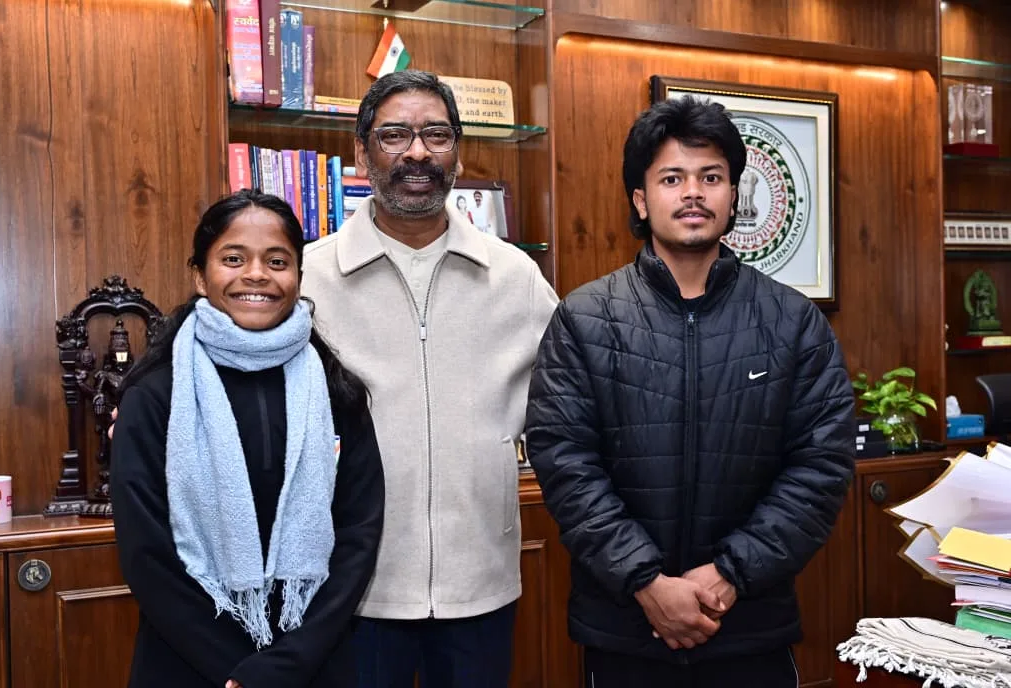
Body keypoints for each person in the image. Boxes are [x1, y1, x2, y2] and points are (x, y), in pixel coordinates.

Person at [524, 96, 856, 687]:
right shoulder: (584, 319)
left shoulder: (793, 321)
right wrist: (647, 583)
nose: (693, 193)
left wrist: (729, 573)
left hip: (749, 625)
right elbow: (567, 465)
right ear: (640, 199)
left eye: (711, 177)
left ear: (733, 196)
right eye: (672, 178)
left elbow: (820, 466)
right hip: (625, 628)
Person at [300, 69, 558, 688]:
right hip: (351, 589)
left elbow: (577, 398)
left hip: (482, 582)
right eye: (394, 135)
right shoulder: (309, 278)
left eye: (436, 135)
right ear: (361, 154)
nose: (417, 152)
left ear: (458, 152)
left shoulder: (514, 276)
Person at [110, 189, 384, 688]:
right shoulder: (154, 395)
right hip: (188, 664)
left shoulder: (336, 391)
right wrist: (243, 674)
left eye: (277, 260)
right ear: (200, 274)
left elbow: (359, 535)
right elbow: (147, 554)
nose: (256, 274)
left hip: (312, 662)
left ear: (298, 275)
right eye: (233, 258)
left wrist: (286, 665)